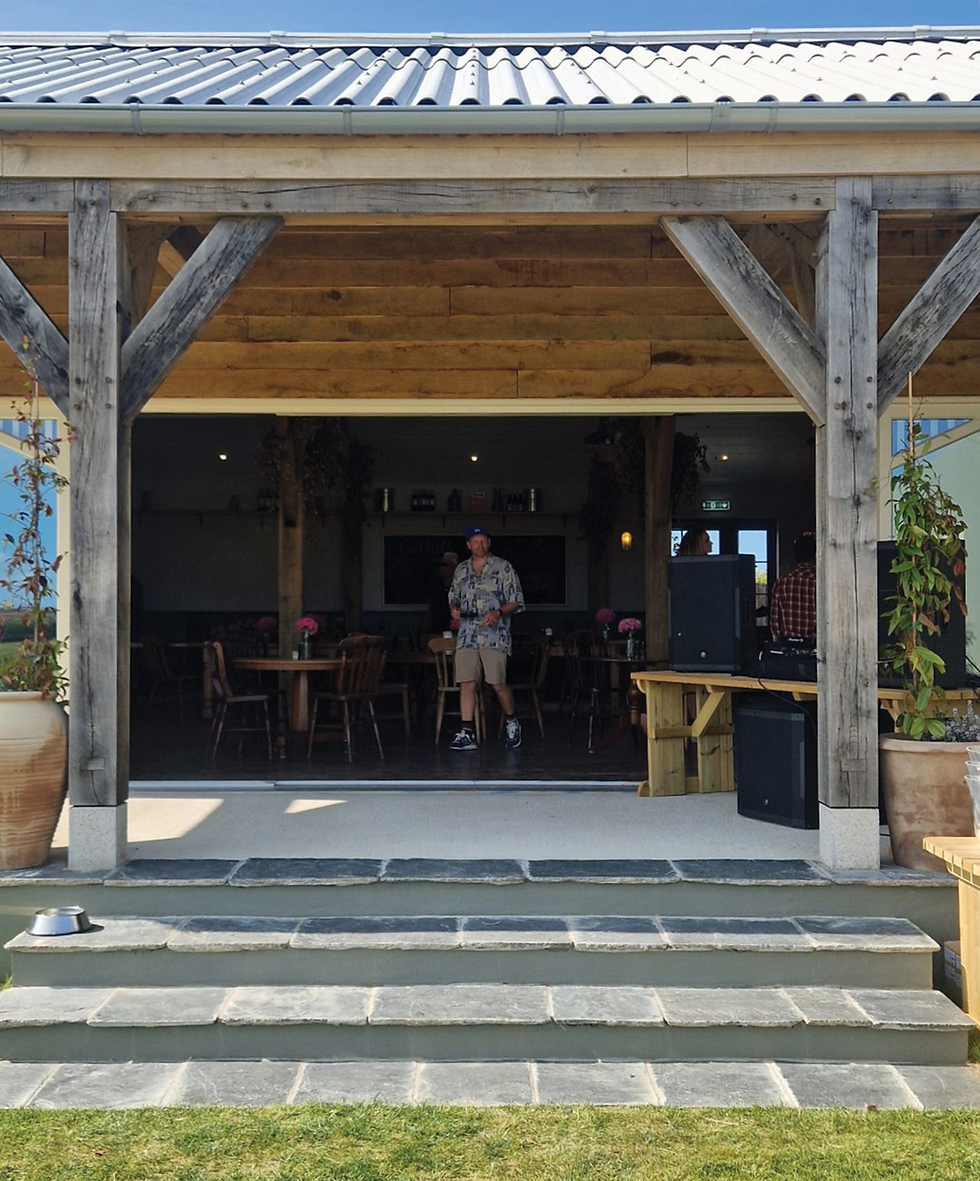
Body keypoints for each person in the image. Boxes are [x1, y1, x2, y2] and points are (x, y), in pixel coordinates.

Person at [448, 525, 525, 750]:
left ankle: (512, 721)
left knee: (497, 682)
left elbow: (516, 600)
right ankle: (467, 731)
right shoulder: (461, 569)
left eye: (483, 541)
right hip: (467, 633)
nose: (479, 545)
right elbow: (453, 596)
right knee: (466, 681)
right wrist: (454, 608)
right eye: (475, 541)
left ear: (489, 543)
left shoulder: (503, 567)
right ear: (468, 545)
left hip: (494, 634)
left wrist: (498, 612)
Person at [770, 531, 817, 644]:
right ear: (816, 554)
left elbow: (775, 621)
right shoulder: (821, 582)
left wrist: (779, 640)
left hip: (788, 647)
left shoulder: (782, 582)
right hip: (816, 646)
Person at [428, 551, 459, 634]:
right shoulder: (435, 586)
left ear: (454, 567)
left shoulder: (461, 585)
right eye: (440, 564)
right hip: (438, 629)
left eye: (444, 565)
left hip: (456, 630)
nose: (441, 568)